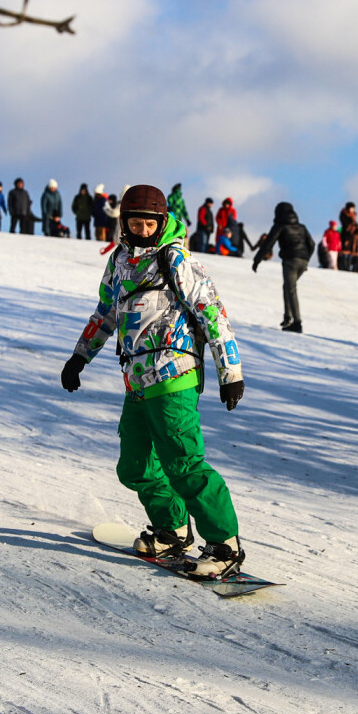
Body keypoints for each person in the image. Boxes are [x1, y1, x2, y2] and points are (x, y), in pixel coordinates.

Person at [60, 184, 247, 577]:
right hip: (137, 381)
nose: (143, 229)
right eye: (135, 222)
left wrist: (230, 373)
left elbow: (212, 313)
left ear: (162, 222)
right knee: (135, 466)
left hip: (174, 376)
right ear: (124, 223)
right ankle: (173, 530)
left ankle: (224, 545)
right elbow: (104, 315)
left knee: (184, 464)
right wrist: (79, 357)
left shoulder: (175, 260)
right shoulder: (118, 263)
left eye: (150, 223)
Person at [252, 202, 314, 333]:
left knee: (291, 289)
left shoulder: (280, 226)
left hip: (290, 261)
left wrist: (257, 260)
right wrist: (306, 259)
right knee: (288, 287)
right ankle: (287, 318)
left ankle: (297, 323)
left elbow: (268, 243)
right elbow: (312, 244)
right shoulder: (301, 227)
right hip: (303, 261)